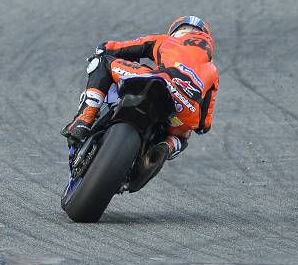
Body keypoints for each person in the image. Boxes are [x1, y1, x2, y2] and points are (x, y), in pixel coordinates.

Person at [63, 16, 219, 161]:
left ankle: (84, 118)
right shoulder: (212, 71)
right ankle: (166, 148)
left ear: (177, 31)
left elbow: (117, 48)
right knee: (183, 135)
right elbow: (204, 125)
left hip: (158, 80)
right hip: (184, 111)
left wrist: (102, 49)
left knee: (102, 62)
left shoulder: (165, 40)